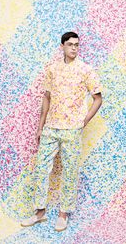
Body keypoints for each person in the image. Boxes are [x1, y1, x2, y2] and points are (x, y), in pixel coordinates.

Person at [21, 32, 102, 231]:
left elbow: (98, 98)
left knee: (70, 171)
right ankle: (39, 213)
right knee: (41, 169)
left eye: (77, 45)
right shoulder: (52, 69)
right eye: (70, 44)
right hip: (51, 127)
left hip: (72, 130)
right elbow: (46, 98)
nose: (74, 48)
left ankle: (63, 214)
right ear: (62, 46)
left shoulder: (86, 70)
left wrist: (83, 121)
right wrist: (40, 127)